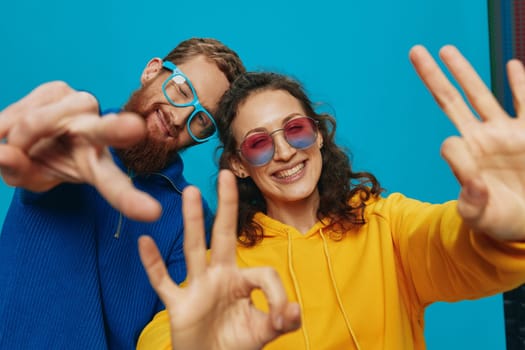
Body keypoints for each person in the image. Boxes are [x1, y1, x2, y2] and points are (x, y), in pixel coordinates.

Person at [136, 44, 525, 350]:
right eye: (258, 143)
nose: (286, 152)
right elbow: (167, 333)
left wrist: (508, 229)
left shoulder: (385, 227)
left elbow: (453, 245)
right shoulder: (226, 268)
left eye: (296, 129)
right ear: (238, 164)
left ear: (319, 135)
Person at [0, 37, 245, 349]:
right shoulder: (72, 139)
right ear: (152, 71)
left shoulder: (192, 219)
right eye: (182, 90)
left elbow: (171, 332)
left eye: (201, 120)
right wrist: (40, 143)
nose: (179, 117)